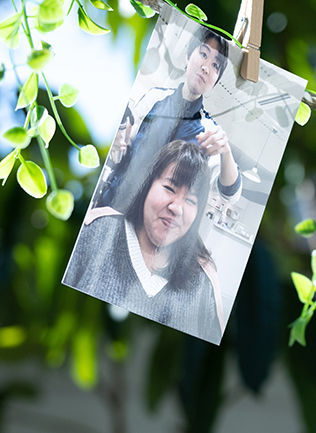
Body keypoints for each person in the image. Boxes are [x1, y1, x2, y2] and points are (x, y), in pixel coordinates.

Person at [65, 141, 225, 344]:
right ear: (146, 184)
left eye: (191, 200)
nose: (177, 208)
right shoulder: (97, 230)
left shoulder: (204, 283)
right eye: (169, 188)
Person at [91, 28, 241, 212]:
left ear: (215, 81)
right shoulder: (154, 98)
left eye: (216, 65)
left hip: (152, 223)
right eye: (203, 54)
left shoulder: (209, 130)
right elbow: (121, 152)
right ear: (187, 57)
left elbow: (230, 194)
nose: (206, 67)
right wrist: (115, 146)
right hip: (112, 204)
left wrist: (226, 152)